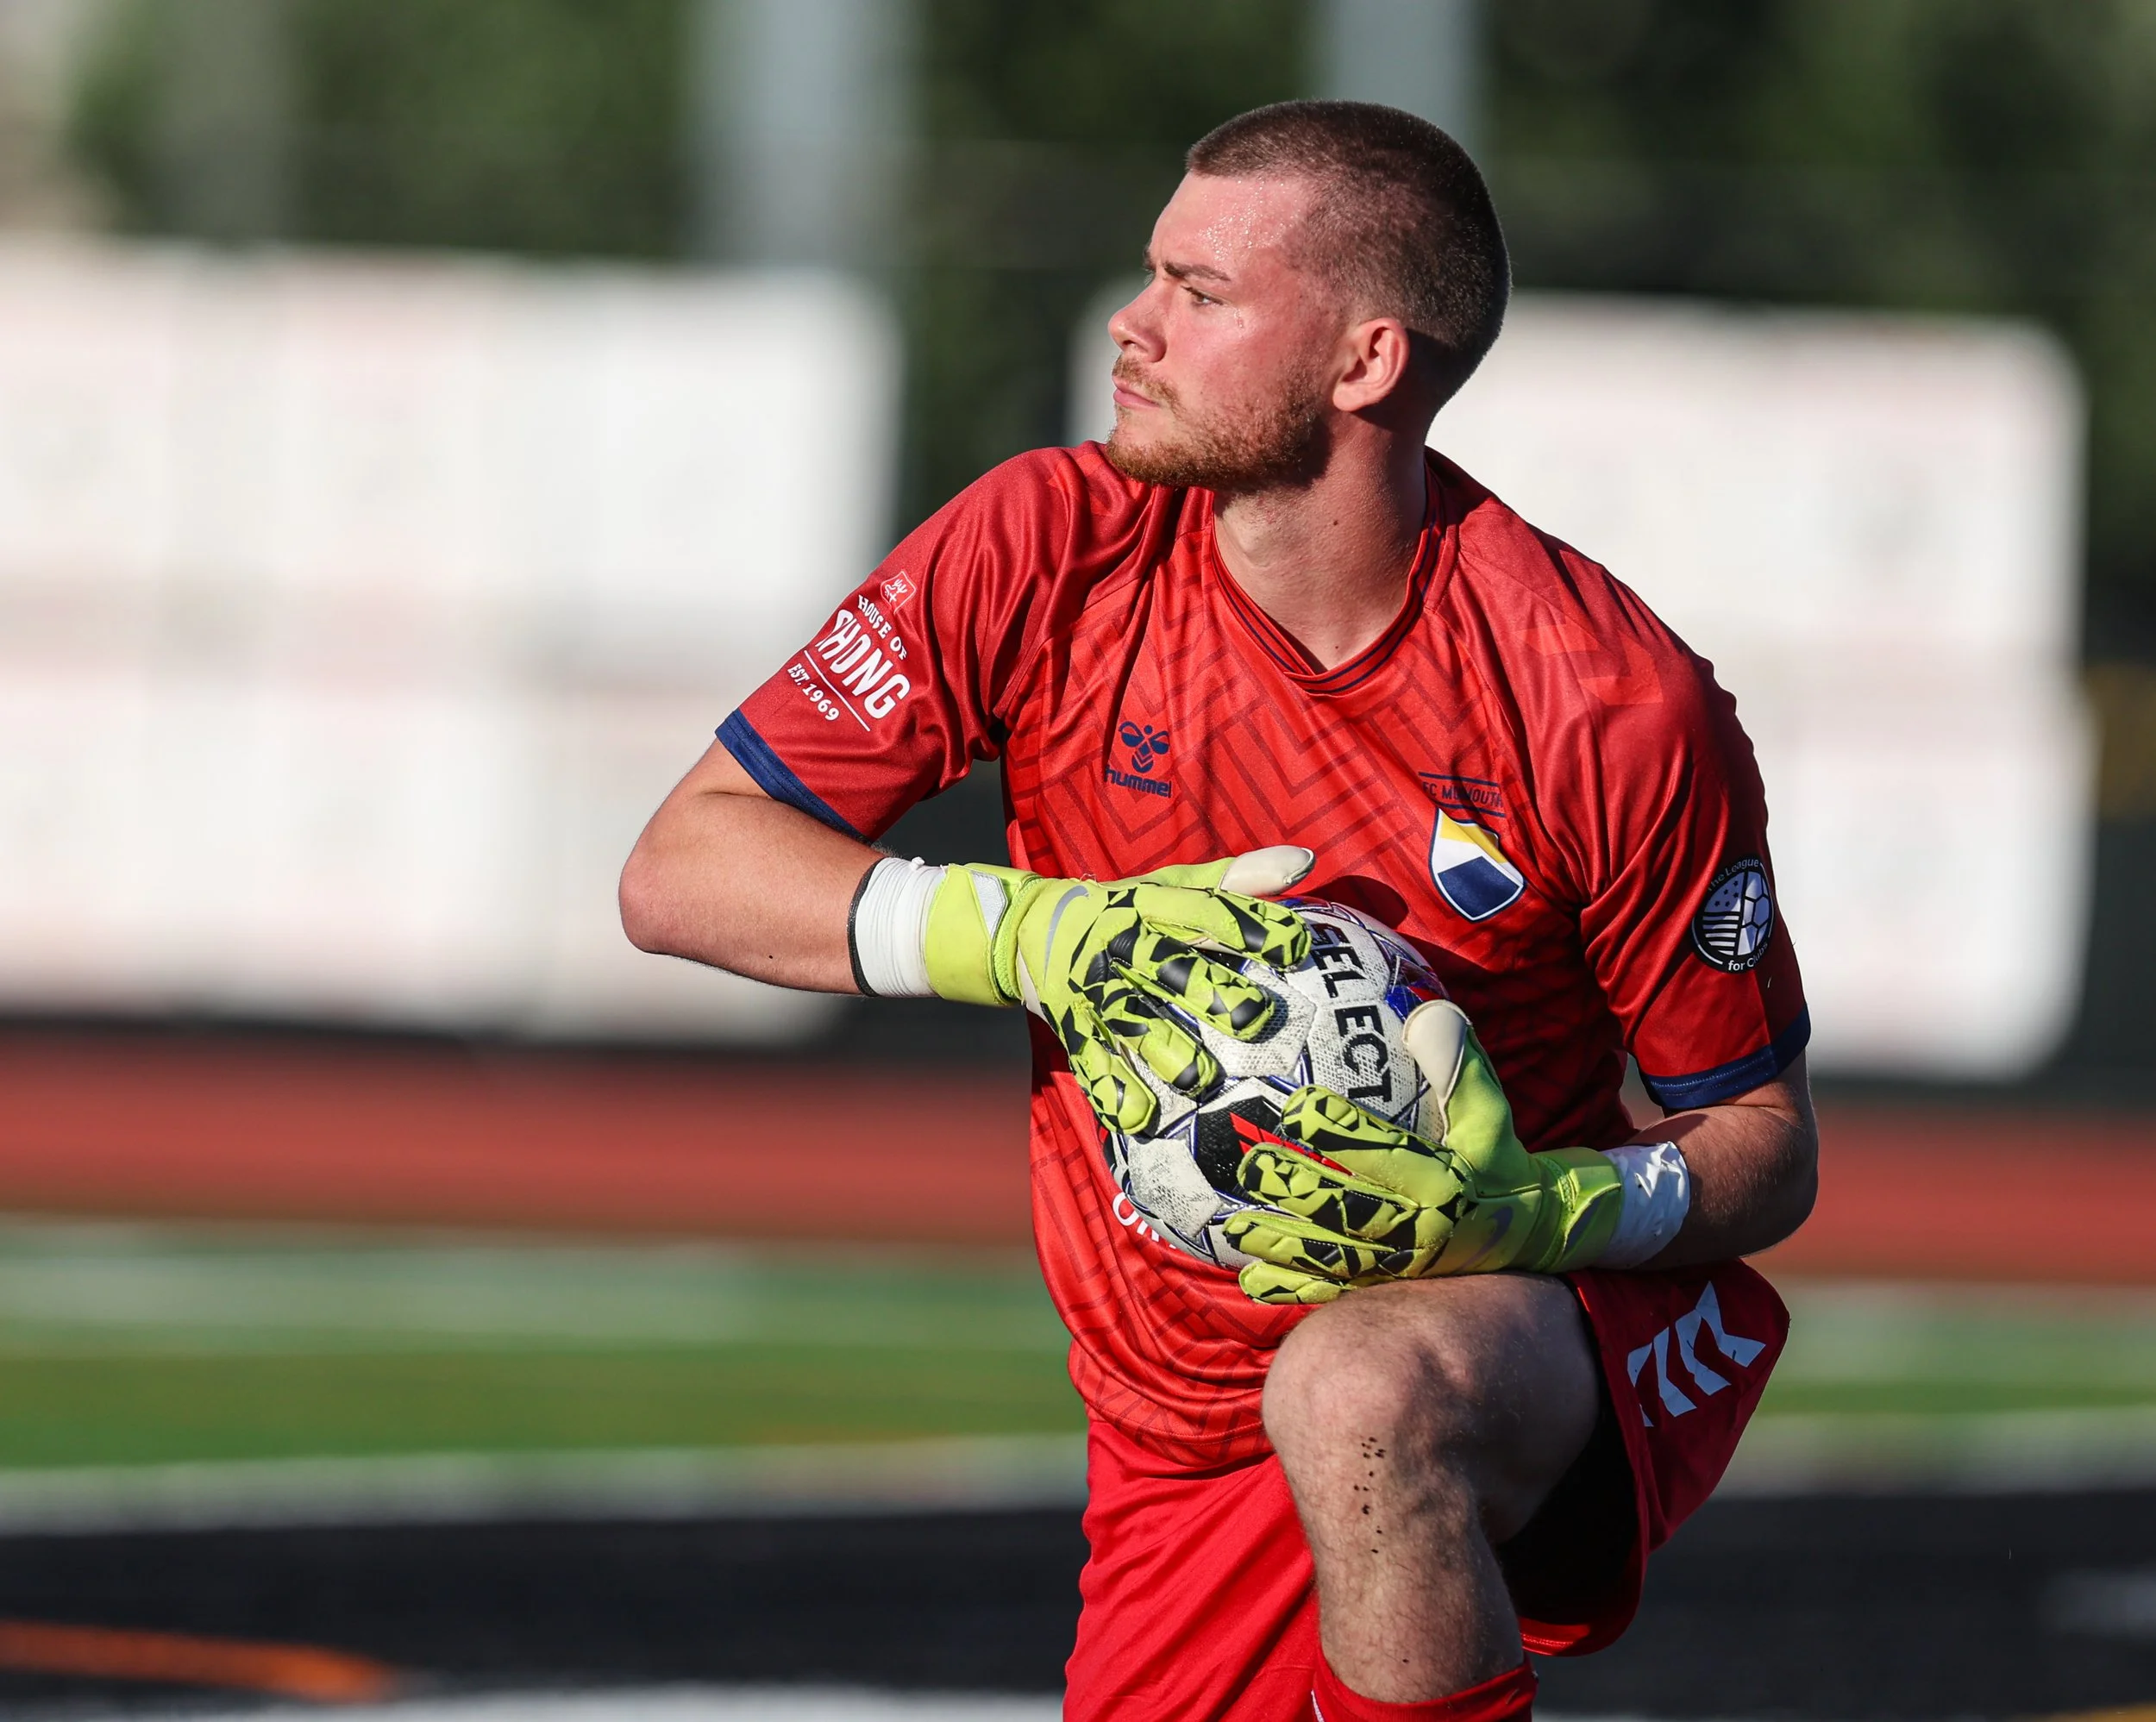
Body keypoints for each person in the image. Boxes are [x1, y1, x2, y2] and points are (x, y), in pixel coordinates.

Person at [620, 99, 1816, 1722]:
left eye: (1201, 290)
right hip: (1171, 1408)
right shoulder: (1046, 545)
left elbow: (1758, 1138)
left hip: (1510, 1327)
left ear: (1365, 362)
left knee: (1356, 1386)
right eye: (1149, 274)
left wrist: (1543, 1215)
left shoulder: (1606, 702)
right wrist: (1041, 935)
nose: (1135, 321)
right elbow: (683, 866)